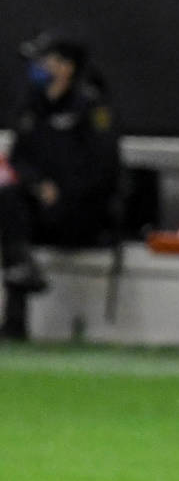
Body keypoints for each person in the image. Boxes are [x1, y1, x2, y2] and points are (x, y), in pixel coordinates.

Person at [0, 31, 120, 341]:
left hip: (80, 213)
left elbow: (103, 169)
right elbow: (18, 159)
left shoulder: (91, 108)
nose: (39, 68)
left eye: (47, 61)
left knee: (15, 228)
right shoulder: (33, 105)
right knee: (9, 203)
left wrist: (64, 192)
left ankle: (18, 296)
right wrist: (39, 185)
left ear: (67, 67)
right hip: (40, 207)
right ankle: (16, 317)